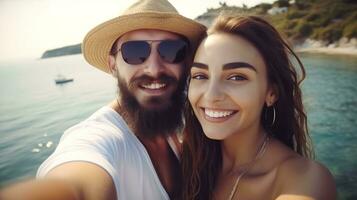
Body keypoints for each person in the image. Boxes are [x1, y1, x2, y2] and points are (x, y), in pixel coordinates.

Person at [0, 0, 206, 199]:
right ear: (112, 64)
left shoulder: (171, 127)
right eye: (135, 52)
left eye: (172, 51)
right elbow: (76, 183)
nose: (154, 68)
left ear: (186, 62)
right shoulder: (98, 140)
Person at [181, 14, 336, 200]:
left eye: (237, 77)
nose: (211, 95)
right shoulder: (186, 160)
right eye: (200, 76)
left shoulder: (304, 180)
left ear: (271, 93)